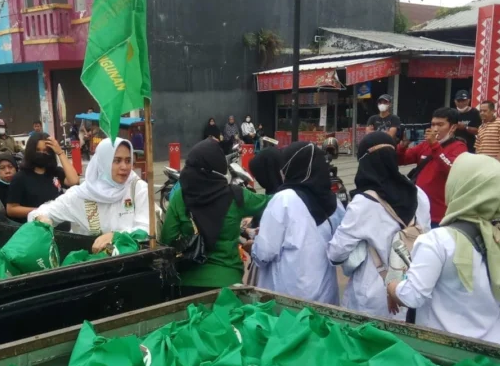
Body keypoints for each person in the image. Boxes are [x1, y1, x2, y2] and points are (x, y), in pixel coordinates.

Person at [386, 153, 500, 346]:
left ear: (460, 187)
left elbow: (413, 296)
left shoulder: (438, 240)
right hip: (498, 347)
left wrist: (392, 287)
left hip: (448, 354)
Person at [328, 132, 431, 320]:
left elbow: (336, 253)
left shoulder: (364, 202)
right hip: (411, 291)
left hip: (374, 296)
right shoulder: (419, 195)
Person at [161, 139, 268, 293]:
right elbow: (272, 203)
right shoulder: (236, 195)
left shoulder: (180, 196)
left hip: (187, 282)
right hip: (227, 283)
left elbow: (167, 239)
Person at [249, 143, 344, 305]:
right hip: (326, 296)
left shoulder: (284, 199)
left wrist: (253, 245)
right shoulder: (334, 201)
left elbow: (264, 253)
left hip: (289, 299)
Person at [32, 138, 149, 253]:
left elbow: (147, 230)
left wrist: (116, 236)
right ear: (103, 163)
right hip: (94, 265)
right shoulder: (84, 194)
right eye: (117, 161)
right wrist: (41, 218)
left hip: (133, 263)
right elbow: (41, 213)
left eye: (128, 161)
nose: (124, 167)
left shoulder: (138, 188)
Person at [396, 107, 468, 226]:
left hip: (439, 215)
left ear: (453, 127)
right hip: (417, 209)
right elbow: (401, 160)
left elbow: (451, 169)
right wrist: (402, 146)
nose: (435, 129)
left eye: (440, 125)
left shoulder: (459, 147)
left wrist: (434, 146)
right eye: (433, 124)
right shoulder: (425, 145)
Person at [6, 133, 78, 221]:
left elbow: (74, 181)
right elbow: (11, 209)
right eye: (38, 150)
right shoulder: (20, 177)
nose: (42, 153)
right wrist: (41, 211)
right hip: (38, 228)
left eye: (46, 150)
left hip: (61, 227)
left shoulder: (56, 172)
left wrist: (60, 152)